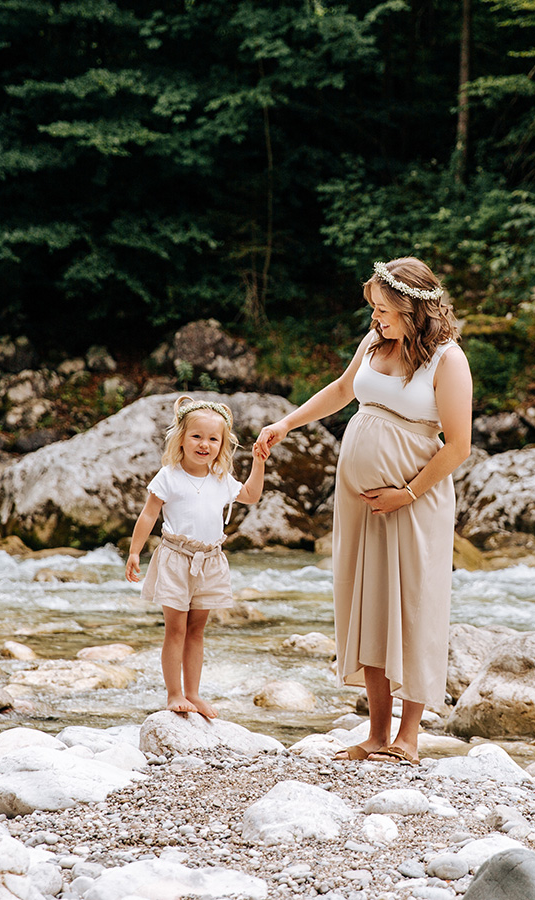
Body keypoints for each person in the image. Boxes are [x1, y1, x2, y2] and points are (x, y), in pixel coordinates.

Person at [255, 257, 472, 764]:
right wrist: (284, 425)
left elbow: (458, 445)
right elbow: (340, 391)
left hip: (416, 500)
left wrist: (408, 493)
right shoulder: (373, 343)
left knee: (413, 606)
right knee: (366, 605)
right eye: (373, 308)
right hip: (361, 502)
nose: (375, 318)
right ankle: (376, 734)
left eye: (383, 309)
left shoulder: (448, 360)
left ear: (413, 308)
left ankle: (408, 739)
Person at [126, 396, 267, 718]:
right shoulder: (169, 475)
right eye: (197, 436)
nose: (204, 444)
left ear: (222, 444)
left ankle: (193, 693)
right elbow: (148, 516)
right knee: (175, 629)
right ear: (181, 438)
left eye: (213, 439)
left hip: (210, 560)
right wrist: (135, 552)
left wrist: (258, 462)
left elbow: (251, 495)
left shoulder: (220, 478)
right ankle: (174, 694)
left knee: (197, 630)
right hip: (176, 559)